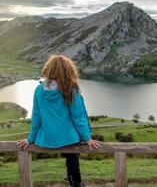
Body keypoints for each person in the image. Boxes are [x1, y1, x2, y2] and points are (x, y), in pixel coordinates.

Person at [16, 55, 101, 187]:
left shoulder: (39, 90)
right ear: (68, 70)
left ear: (49, 70)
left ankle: (72, 179)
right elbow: (78, 117)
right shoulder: (70, 89)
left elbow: (36, 117)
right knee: (72, 157)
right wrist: (87, 138)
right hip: (68, 138)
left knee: (70, 156)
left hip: (48, 139)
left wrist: (30, 139)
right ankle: (75, 183)